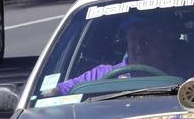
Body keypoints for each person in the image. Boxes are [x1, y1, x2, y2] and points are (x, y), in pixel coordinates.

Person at [50, 19, 179, 96]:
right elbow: (58, 90)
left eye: (147, 38)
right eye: (133, 38)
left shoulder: (186, 71)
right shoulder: (103, 73)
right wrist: (50, 93)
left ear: (164, 42)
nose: (139, 44)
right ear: (126, 43)